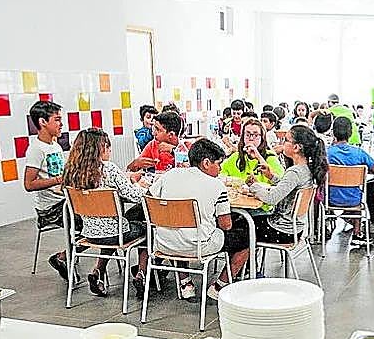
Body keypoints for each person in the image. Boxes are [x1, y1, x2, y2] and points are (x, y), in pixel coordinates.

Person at [148, 138, 249, 301]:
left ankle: (185, 283)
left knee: (179, 231)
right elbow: (226, 225)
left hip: (164, 244)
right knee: (246, 239)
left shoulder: (170, 175)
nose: (220, 168)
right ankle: (219, 286)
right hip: (198, 247)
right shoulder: (217, 186)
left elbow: (148, 198)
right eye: (218, 163)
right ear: (206, 163)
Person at [60, 127, 149, 297]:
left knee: (112, 228)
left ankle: (97, 272)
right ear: (100, 148)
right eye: (107, 146)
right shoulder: (108, 168)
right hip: (116, 233)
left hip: (89, 233)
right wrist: (142, 186)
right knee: (147, 228)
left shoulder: (71, 171)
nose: (110, 150)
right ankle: (142, 274)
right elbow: (134, 195)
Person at [246, 124, 327, 245]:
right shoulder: (306, 169)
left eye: (286, 140)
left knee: (242, 227)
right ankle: (251, 263)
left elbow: (271, 198)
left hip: (281, 230)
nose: (282, 143)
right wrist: (271, 176)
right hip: (294, 229)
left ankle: (247, 264)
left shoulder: (294, 172)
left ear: (296, 147)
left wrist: (253, 186)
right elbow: (287, 189)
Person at [23, 100, 70, 278]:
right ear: (43, 122)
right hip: (51, 209)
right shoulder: (36, 150)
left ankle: (66, 257)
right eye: (57, 119)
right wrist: (58, 179)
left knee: (97, 217)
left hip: (64, 201)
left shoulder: (55, 146)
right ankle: (63, 257)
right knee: (94, 223)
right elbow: (29, 184)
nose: (61, 124)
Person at [327, 116, 374, 240]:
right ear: (350, 133)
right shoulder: (359, 153)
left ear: (333, 132)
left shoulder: (326, 153)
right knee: (356, 194)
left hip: (330, 199)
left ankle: (321, 229)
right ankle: (357, 232)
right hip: (354, 200)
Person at [220, 118, 284, 183]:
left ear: (262, 138)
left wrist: (259, 157)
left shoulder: (270, 158)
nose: (251, 138)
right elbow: (220, 174)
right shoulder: (236, 157)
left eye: (255, 135)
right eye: (247, 135)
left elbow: (282, 185)